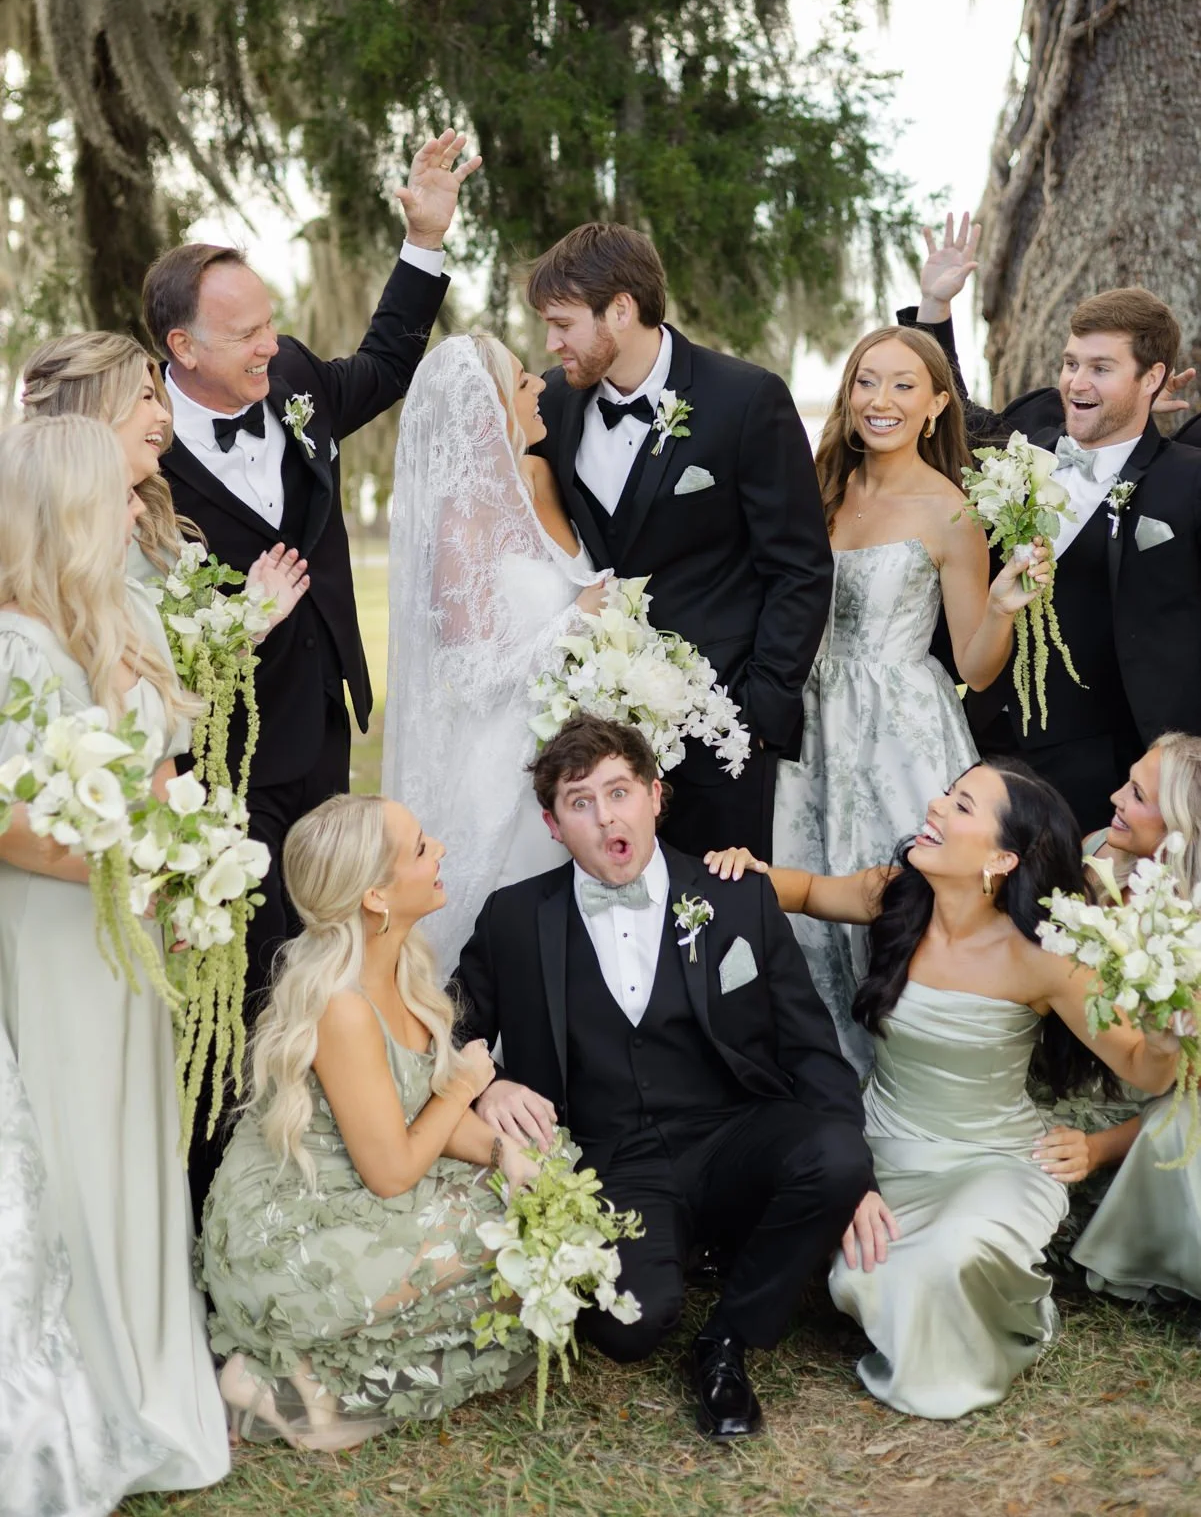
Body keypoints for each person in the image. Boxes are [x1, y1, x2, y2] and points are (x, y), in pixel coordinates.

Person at [145, 131, 479, 1207]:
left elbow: (380, 364)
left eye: (272, 321)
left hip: (320, 731)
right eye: (243, 333)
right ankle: (213, 1189)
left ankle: (317, 1159)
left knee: (315, 949)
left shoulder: (289, 380)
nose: (271, 343)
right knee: (222, 970)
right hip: (210, 758)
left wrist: (421, 241)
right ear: (179, 346)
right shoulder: (136, 455)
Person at [705, 761, 1185, 1420]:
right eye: (947, 795)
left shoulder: (1047, 955)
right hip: (883, 1146)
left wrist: (1171, 1037)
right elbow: (809, 889)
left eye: (960, 806)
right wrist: (746, 871)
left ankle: (984, 1316)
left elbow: (1141, 1067)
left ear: (1002, 858)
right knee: (864, 1272)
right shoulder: (896, 895)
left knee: (947, 1257)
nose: (933, 806)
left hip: (987, 1156)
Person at [452, 715, 873, 1442]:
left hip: (731, 1130)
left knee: (835, 1157)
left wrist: (855, 1179)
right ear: (553, 826)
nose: (605, 815)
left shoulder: (736, 895)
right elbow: (449, 1029)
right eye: (580, 802)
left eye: (619, 792)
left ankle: (729, 1341)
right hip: (613, 1156)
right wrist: (486, 1085)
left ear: (655, 795)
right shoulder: (513, 919)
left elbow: (811, 1048)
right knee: (631, 1328)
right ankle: (683, 1255)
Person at [0, 416, 228, 1499]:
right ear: (63, 509)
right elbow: (5, 822)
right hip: (51, 931)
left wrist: (183, 866)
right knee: (75, 1136)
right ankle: (81, 1380)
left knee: (138, 1136)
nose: (137, 507)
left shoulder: (130, 616)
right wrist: (131, 868)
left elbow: (162, 774)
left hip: (132, 927)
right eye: (115, 495)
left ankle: (145, 1369)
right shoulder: (14, 642)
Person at [199, 793, 537, 1450]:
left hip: (368, 1178)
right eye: (419, 848)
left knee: (537, 1198)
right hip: (298, 1230)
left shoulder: (405, 967)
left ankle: (315, 1379)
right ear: (376, 897)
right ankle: (278, 1381)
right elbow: (389, 1172)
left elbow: (419, 1112)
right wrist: (467, 1084)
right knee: (501, 1243)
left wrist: (503, 1152)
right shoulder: (343, 1006)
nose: (437, 850)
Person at [772, 324, 1051, 1074]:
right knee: (801, 896)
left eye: (902, 385)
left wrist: (998, 607)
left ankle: (899, 1083)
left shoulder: (950, 512)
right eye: (866, 381)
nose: (880, 400)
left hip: (899, 733)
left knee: (891, 901)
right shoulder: (819, 484)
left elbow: (976, 667)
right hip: (805, 723)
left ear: (934, 405)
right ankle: (818, 1085)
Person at [526, 223, 833, 861]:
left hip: (720, 732)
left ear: (620, 308)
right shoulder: (552, 403)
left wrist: (756, 712)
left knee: (720, 930)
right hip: (597, 747)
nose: (550, 343)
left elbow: (799, 569)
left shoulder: (747, 399)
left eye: (562, 323)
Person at [899, 215, 1201, 829]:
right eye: (1070, 363)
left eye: (1100, 369)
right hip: (979, 745)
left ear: (1153, 379)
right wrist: (935, 306)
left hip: (1104, 767)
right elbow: (953, 411)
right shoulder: (1027, 436)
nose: (1075, 382)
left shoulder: (1186, 481)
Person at [382, 333, 609, 977]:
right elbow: (469, 674)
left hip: (580, 746)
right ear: (487, 410)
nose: (539, 384)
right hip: (509, 766)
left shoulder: (535, 477)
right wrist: (576, 623)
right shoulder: (459, 522)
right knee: (524, 947)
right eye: (520, 382)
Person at [1030, 732, 1201, 1306]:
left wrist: (1096, 1149)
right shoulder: (1099, 853)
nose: (1114, 798)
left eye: (1136, 794)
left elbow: (1188, 1091)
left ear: (1182, 823)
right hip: (1070, 1071)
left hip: (1152, 1114)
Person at [20, 327, 310, 622]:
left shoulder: (153, 521)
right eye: (146, 397)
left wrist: (255, 613)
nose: (165, 415)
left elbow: (187, 656)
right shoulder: (34, 536)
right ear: (92, 408)